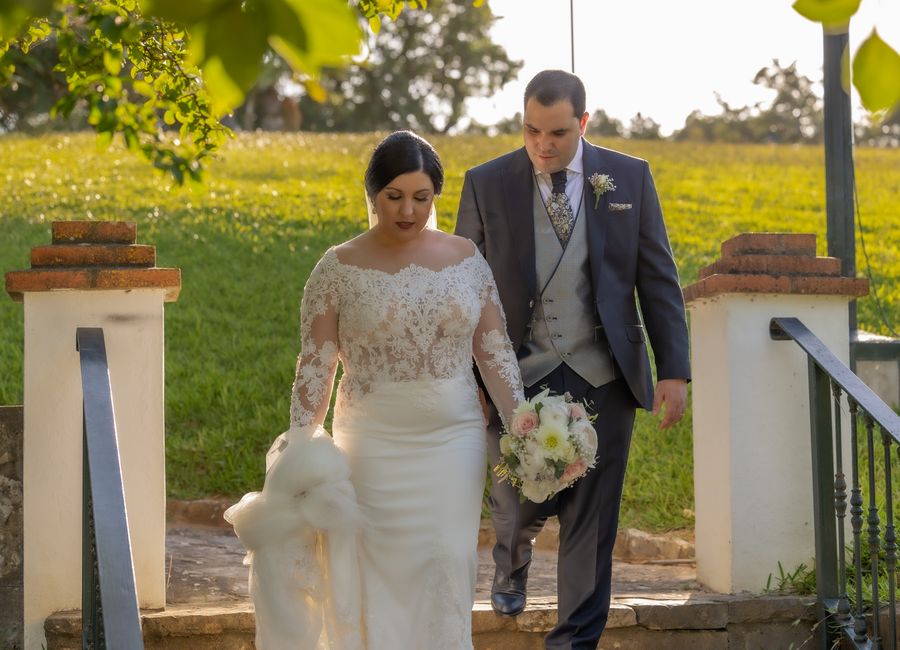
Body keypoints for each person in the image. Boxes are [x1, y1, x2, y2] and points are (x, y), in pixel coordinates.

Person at [226, 130, 526, 649]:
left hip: (453, 440)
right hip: (372, 443)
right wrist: (299, 449)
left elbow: (494, 349)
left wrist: (523, 420)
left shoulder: (466, 258)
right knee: (374, 568)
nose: (408, 210)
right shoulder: (337, 268)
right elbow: (316, 367)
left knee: (445, 559)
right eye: (394, 197)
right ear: (372, 195)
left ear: (435, 196)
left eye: (421, 197)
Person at [455, 69, 691, 648]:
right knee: (515, 501)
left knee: (591, 520)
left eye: (557, 132)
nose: (543, 144)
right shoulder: (486, 183)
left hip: (603, 372)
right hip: (517, 372)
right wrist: (474, 376)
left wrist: (675, 370)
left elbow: (656, 277)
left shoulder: (629, 178)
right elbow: (460, 290)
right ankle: (511, 559)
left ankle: (573, 641)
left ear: (583, 123)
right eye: (532, 130)